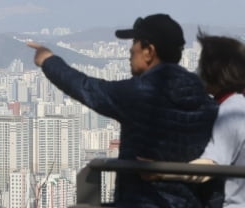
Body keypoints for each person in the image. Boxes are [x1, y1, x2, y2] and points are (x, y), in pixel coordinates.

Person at [27, 14, 219, 208]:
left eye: (135, 43)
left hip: (142, 200)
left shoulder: (140, 93)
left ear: (149, 51)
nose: (130, 50)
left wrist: (48, 60)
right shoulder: (204, 98)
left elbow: (87, 88)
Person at [147, 33, 245, 208]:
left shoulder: (232, 110)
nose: (198, 71)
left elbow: (207, 167)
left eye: (201, 64)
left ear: (214, 69)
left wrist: (160, 172)